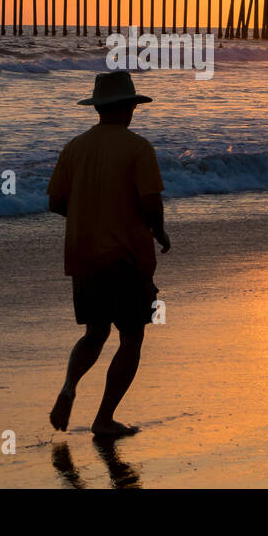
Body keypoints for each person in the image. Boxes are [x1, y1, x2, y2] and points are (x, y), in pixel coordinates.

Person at [47, 71, 170, 438]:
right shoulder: (138, 148)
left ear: (99, 108)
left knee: (94, 334)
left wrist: (90, 214)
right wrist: (160, 231)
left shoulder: (74, 147)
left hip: (84, 256)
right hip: (125, 258)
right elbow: (150, 201)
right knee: (131, 337)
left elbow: (56, 202)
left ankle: (69, 386)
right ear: (130, 108)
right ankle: (104, 418)